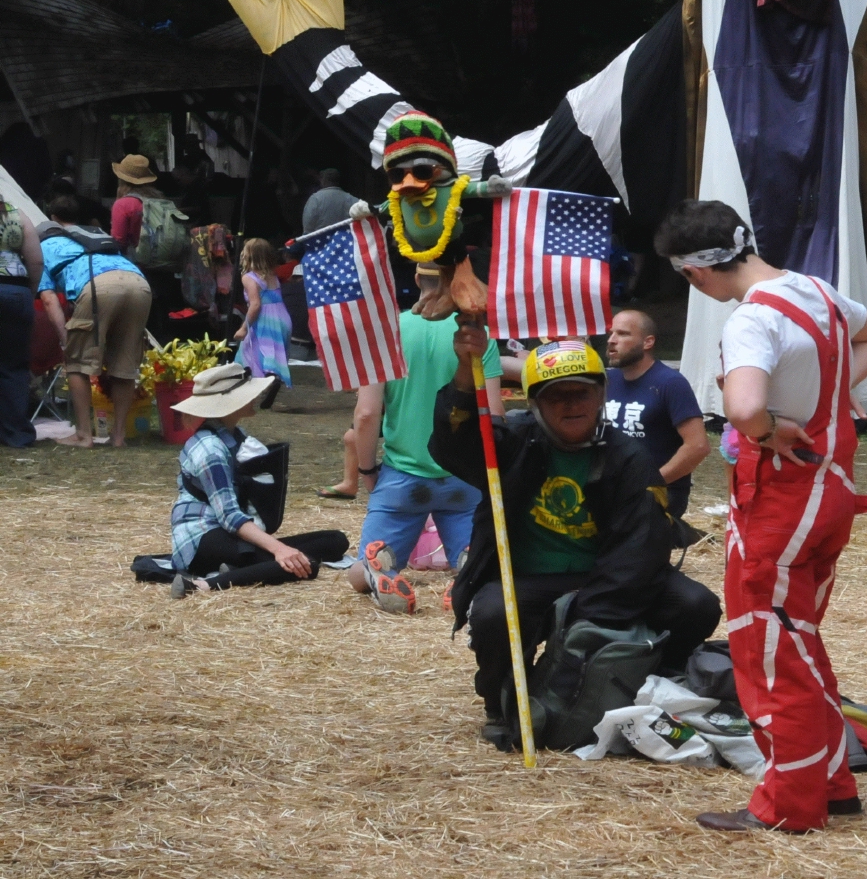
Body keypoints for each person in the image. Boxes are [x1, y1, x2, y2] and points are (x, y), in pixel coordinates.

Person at [658, 199, 867, 833]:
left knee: (768, 650)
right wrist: (831, 401)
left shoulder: (750, 321)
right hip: (831, 492)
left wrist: (766, 430)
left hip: (783, 505)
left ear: (695, 273)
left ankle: (790, 805)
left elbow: (742, 405)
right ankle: (832, 784)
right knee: (799, 638)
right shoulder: (817, 292)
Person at [434, 336, 722, 744]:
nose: (572, 404)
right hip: (529, 576)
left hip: (603, 579)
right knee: (493, 612)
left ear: (601, 394)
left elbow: (640, 552)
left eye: (582, 393)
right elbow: (452, 443)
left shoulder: (631, 458)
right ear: (533, 403)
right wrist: (467, 366)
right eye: (557, 397)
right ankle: (500, 704)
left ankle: (652, 680)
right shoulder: (511, 443)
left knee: (696, 604)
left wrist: (580, 618)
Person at [342, 307, 504, 612]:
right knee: (480, 558)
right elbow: (494, 415)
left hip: (402, 477)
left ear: (417, 278)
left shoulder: (386, 331)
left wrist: (366, 470)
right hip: (464, 477)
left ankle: (379, 571)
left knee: (358, 573)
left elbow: (365, 415)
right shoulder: (477, 335)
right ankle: (469, 571)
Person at [167, 364, 349, 597]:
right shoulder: (211, 450)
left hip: (225, 533)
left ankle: (237, 566)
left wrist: (279, 549)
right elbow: (229, 517)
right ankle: (203, 585)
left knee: (335, 541)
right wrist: (280, 549)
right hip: (202, 539)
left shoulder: (233, 435)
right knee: (307, 565)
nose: (255, 397)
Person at [36, 194, 154, 448]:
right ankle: (118, 436)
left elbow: (49, 300)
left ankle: (83, 435)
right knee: (124, 363)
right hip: (138, 282)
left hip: (97, 285)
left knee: (77, 363)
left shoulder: (42, 248)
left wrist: (65, 338)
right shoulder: (87, 236)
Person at [603, 307, 710, 519]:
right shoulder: (608, 380)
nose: (611, 340)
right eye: (611, 333)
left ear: (647, 342)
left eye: (623, 334)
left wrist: (651, 482)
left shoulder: (670, 383)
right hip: (611, 489)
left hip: (658, 494)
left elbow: (698, 446)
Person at [0, 197, 43, 448]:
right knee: (13, 367)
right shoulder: (16, 214)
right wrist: (30, 291)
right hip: (16, 292)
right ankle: (16, 433)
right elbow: (36, 260)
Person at [233, 238, 293, 386]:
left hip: (264, 319)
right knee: (273, 353)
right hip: (282, 317)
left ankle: (265, 381)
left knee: (252, 350)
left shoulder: (249, 277)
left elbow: (255, 304)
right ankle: (272, 377)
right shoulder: (272, 275)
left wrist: (243, 328)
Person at [301, 168, 357, 234]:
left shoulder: (315, 199)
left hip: (321, 241)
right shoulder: (351, 199)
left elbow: (308, 226)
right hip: (344, 241)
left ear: (323, 180)